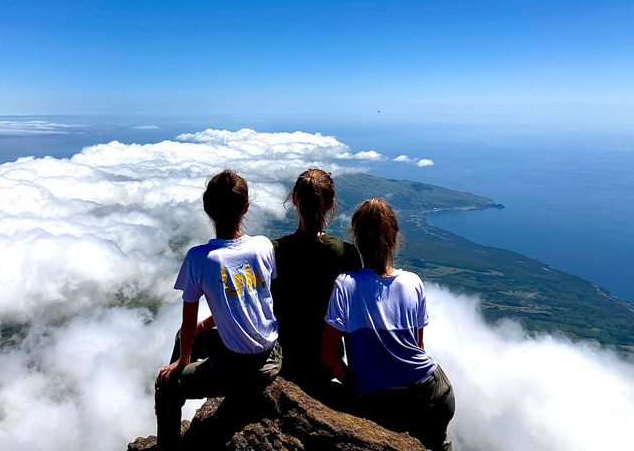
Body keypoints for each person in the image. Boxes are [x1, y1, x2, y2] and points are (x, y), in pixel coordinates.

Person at [155, 170, 282, 451]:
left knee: (164, 385)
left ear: (207, 210)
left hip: (237, 370)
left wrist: (181, 364)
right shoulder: (263, 246)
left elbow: (188, 324)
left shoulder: (200, 259)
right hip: (274, 355)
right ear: (246, 207)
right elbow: (247, 302)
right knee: (184, 336)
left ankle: (168, 445)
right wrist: (205, 327)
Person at [322, 198, 455, 451]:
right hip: (436, 392)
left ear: (357, 238)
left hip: (386, 402)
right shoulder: (413, 282)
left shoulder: (346, 285)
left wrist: (356, 385)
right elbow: (419, 346)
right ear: (394, 236)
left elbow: (328, 355)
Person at [271, 169, 361, 403]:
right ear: (330, 204)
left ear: (294, 201)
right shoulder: (346, 255)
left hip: (282, 363)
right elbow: (354, 323)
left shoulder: (273, 252)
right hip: (325, 369)